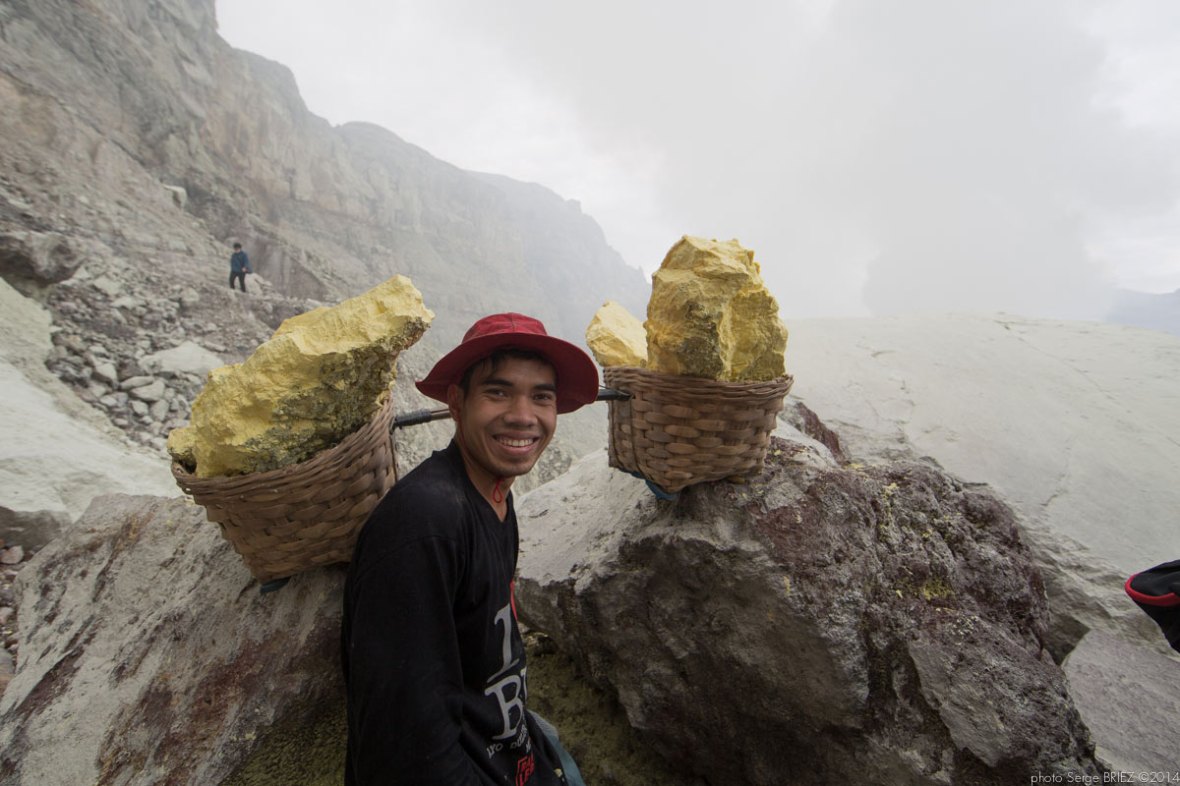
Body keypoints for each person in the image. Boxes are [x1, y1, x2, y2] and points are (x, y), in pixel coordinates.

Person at [342, 313, 597, 785]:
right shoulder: (425, 524)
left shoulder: (494, 495)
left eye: (542, 396)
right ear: (457, 403)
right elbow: (405, 749)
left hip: (510, 750)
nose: (524, 416)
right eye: (498, 392)